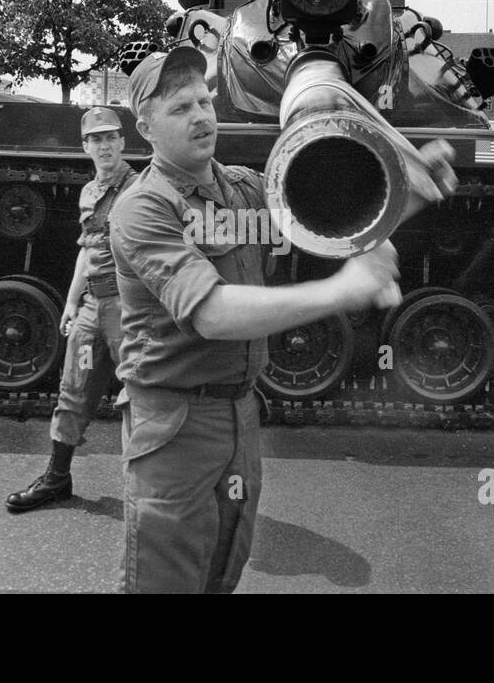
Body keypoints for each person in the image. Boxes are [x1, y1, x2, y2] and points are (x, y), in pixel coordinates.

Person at [109, 46, 456, 593]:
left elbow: (332, 229)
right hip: (174, 425)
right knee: (165, 581)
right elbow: (213, 313)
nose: (202, 115)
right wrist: (341, 290)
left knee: (223, 571)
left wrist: (409, 193)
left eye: (204, 100)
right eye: (180, 108)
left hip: (240, 416)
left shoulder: (243, 190)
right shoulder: (145, 207)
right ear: (146, 125)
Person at [6, 107, 139, 513]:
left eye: (110, 137)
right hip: (92, 307)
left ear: (122, 142)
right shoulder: (89, 191)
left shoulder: (140, 188)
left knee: (141, 397)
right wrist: (70, 301)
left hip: (127, 307)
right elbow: (87, 250)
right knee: (73, 391)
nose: (104, 145)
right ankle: (57, 478)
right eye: (95, 139)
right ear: (85, 146)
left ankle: (153, 490)